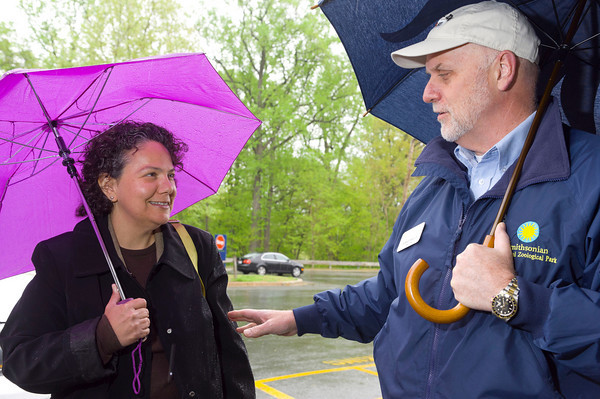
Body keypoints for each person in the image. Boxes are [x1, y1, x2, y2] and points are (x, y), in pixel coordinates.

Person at [228, 1, 600, 397]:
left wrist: (514, 297)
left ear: (503, 70)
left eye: (444, 73)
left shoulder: (590, 179)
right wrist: (300, 318)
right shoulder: (434, 185)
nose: (427, 93)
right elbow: (390, 292)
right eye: (428, 76)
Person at [0, 122, 255, 398]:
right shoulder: (62, 260)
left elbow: (230, 357)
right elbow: (19, 359)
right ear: (109, 186)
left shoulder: (198, 249)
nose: (167, 187)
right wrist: (100, 338)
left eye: (170, 175)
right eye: (151, 175)